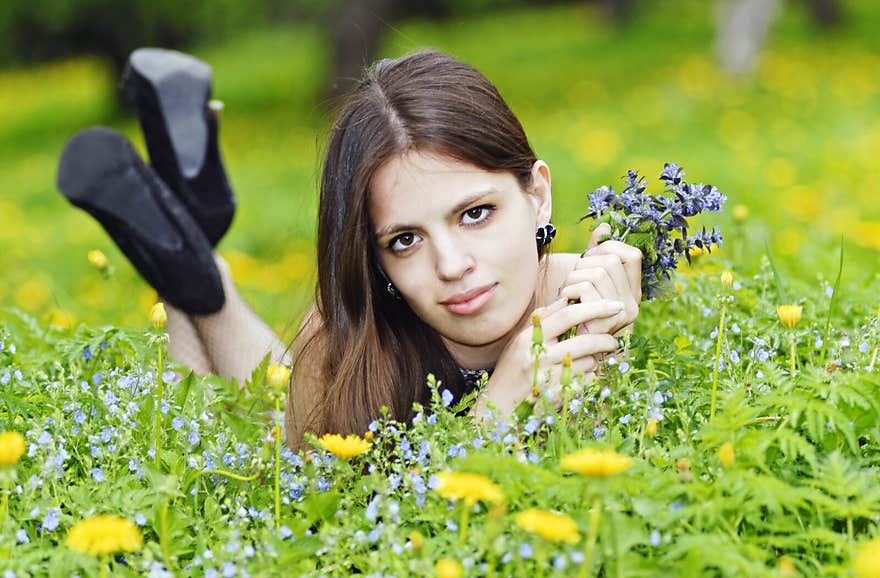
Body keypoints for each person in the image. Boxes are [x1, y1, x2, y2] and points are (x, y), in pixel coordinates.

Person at [57, 47, 643, 455]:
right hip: (333, 388)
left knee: (270, 415)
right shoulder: (359, 343)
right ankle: (193, 267)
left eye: (475, 213)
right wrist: (493, 416)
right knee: (268, 451)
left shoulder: (589, 302)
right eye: (404, 240)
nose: (451, 265)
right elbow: (334, 531)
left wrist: (615, 345)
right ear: (375, 256)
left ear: (537, 195)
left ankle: (189, 258)